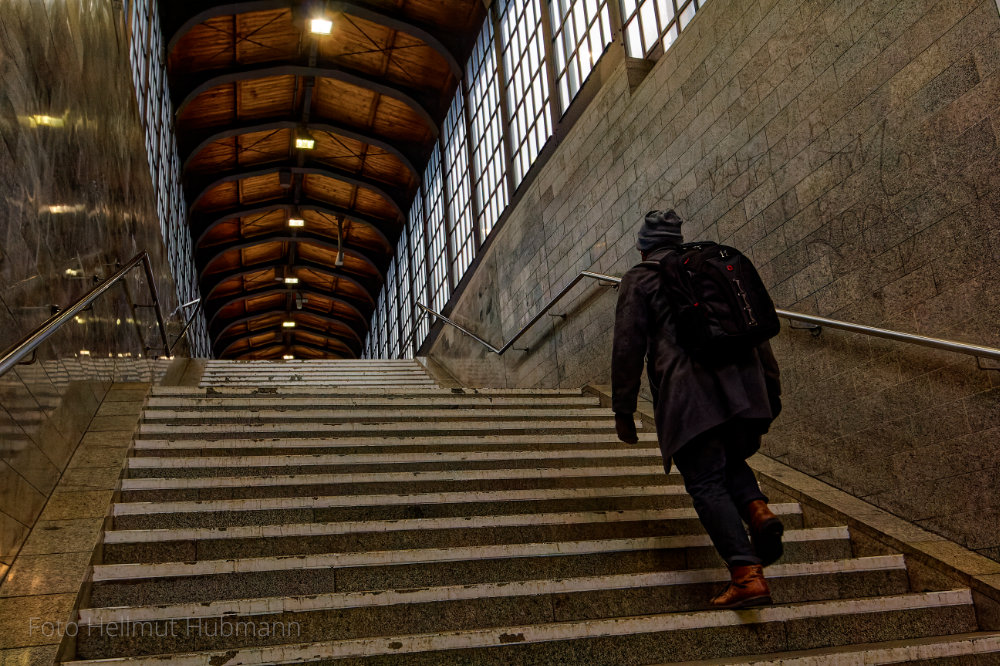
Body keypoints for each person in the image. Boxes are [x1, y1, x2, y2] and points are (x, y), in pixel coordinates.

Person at [611, 209, 784, 609]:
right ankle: (756, 509)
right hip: (745, 388)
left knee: (705, 480)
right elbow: (757, 330)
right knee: (725, 460)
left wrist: (623, 409)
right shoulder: (713, 268)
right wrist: (770, 389)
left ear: (643, 247)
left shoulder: (640, 279)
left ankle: (746, 575)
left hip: (690, 395)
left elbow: (627, 347)